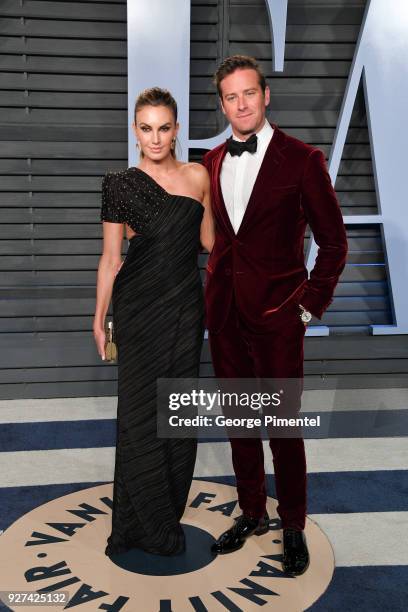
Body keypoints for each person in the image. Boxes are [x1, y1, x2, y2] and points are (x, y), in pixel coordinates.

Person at [202, 55, 348, 574]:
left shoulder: (303, 159)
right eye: (230, 97)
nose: (240, 104)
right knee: (240, 424)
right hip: (225, 317)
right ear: (222, 104)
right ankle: (250, 511)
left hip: (279, 315)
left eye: (248, 94)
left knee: (283, 427)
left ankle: (293, 525)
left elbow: (334, 243)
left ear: (266, 96)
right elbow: (220, 239)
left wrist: (308, 306)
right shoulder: (214, 159)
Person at [93, 87, 214, 556]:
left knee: (178, 410)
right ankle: (137, 523)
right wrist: (100, 315)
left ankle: (166, 510)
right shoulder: (120, 183)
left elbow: (209, 244)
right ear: (135, 131)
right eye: (146, 128)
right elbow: (110, 258)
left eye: (164, 127)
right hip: (137, 309)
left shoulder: (198, 176)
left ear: (177, 129)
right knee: (139, 413)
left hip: (184, 307)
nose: (155, 137)